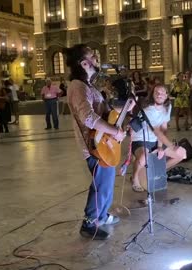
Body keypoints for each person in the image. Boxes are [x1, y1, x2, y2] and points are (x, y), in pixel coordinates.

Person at [65, 44, 133, 240]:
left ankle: (102, 216)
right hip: (93, 145)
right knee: (101, 184)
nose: (97, 59)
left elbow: (104, 112)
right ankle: (89, 222)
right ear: (84, 63)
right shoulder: (77, 86)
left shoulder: (89, 85)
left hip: (104, 141)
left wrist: (124, 109)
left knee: (107, 182)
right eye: (92, 56)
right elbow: (87, 117)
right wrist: (114, 131)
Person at [130, 84, 186, 192]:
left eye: (162, 93)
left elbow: (164, 128)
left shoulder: (168, 107)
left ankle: (155, 172)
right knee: (144, 157)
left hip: (156, 139)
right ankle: (135, 178)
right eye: (157, 93)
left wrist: (160, 147)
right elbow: (157, 132)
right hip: (141, 139)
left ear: (166, 95)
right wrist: (171, 146)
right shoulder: (148, 110)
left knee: (181, 155)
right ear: (153, 95)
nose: (159, 95)